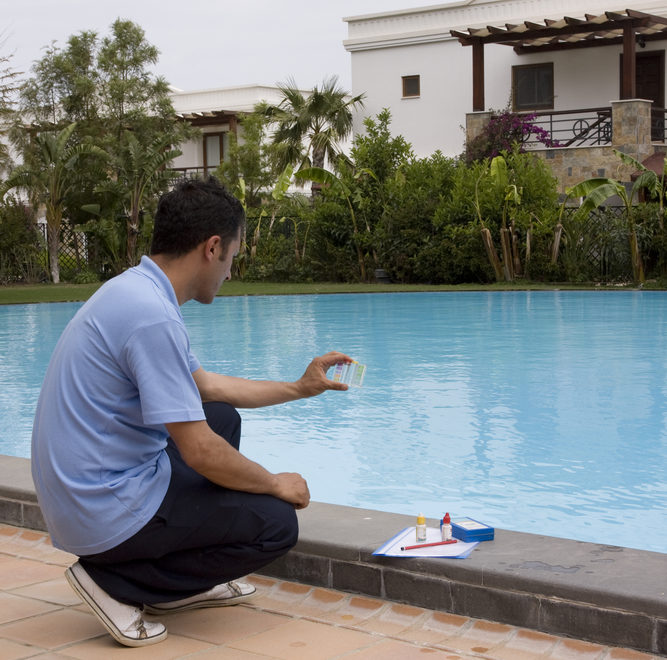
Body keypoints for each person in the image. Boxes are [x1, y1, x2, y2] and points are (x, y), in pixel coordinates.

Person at [31, 177, 351, 647]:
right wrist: (275, 483)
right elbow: (199, 452)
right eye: (232, 259)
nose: (229, 273)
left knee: (222, 416)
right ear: (212, 247)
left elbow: (207, 387)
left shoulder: (136, 290)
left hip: (84, 495)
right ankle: (116, 584)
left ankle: (168, 583)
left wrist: (299, 387)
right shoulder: (152, 316)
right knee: (277, 526)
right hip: (99, 508)